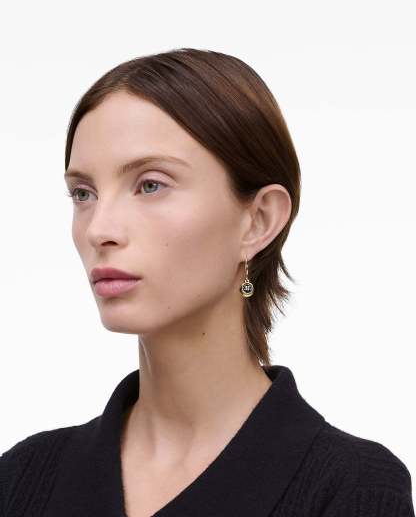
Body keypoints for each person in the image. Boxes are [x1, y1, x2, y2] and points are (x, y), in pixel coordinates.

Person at [0, 48, 414, 517]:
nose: (99, 229)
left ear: (258, 220)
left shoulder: (350, 489)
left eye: (150, 185)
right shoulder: (23, 479)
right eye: (83, 193)